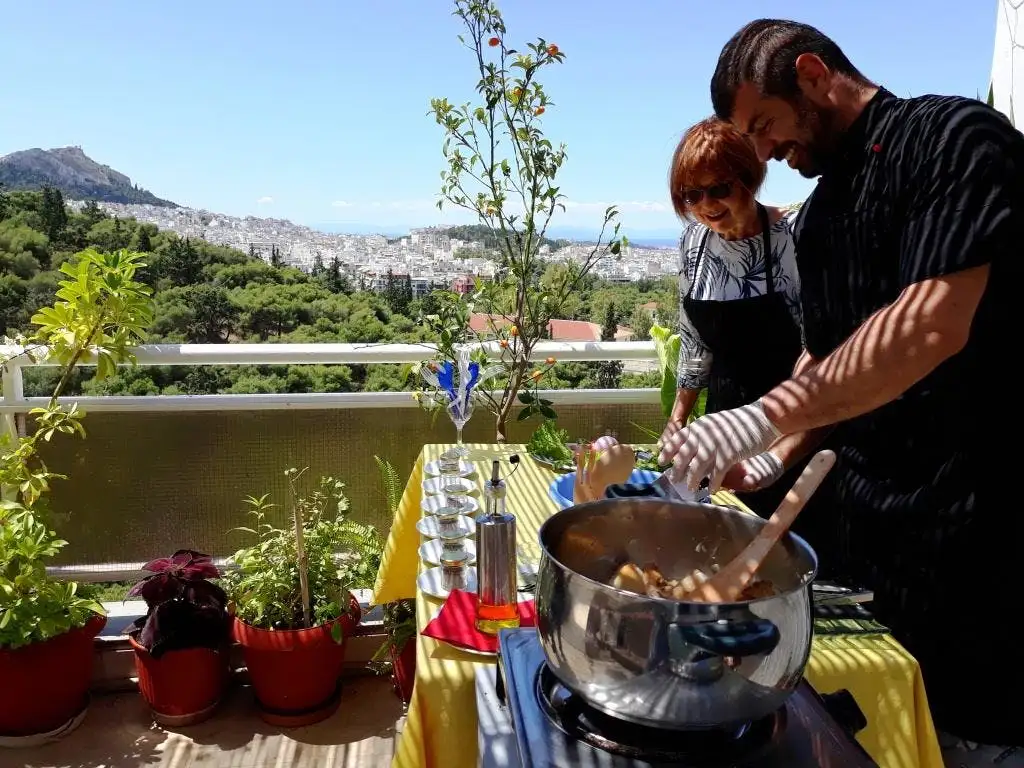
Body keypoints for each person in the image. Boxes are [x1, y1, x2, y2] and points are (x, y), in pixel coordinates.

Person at [659, 18, 1021, 764]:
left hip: (976, 546)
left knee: (972, 742)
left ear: (816, 75)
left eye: (764, 125)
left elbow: (925, 329)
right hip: (867, 549)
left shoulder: (953, 138)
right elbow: (822, 359)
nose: (761, 152)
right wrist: (770, 456)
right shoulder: (822, 216)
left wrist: (757, 418)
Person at [661, 117, 815, 519]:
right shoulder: (693, 242)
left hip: (791, 423)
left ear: (750, 178)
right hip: (722, 427)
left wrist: (781, 448)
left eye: (720, 188)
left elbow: (821, 348)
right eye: (691, 195)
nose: (707, 205)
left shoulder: (795, 234)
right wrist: (678, 417)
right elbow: (693, 339)